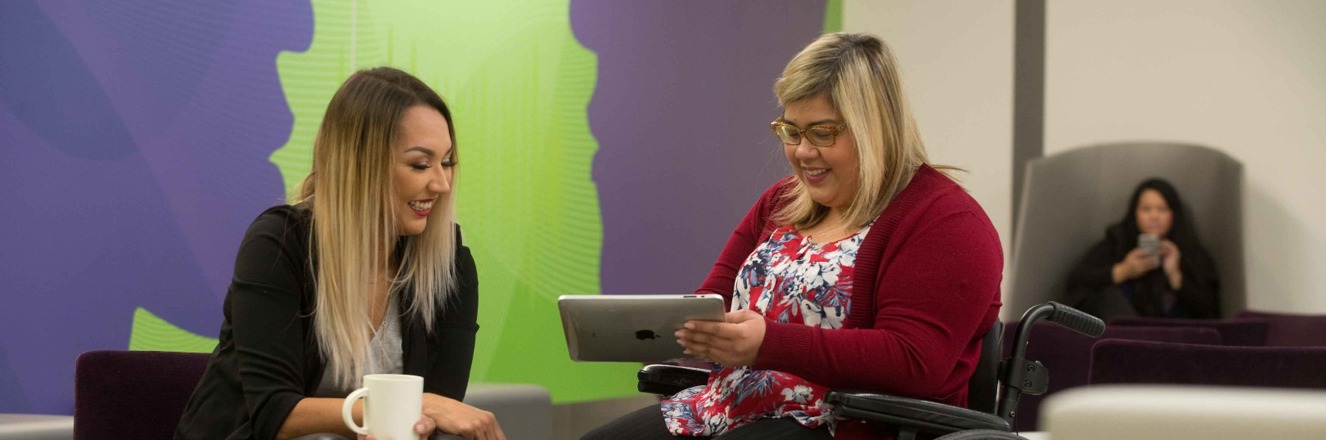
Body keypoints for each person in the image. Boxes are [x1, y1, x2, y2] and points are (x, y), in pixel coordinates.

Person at [581, 33, 1003, 440]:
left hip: (844, 423)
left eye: (822, 133)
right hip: (726, 411)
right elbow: (714, 301)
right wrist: (663, 331)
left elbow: (912, 361)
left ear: (876, 129)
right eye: (791, 131)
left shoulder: (947, 222)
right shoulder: (782, 203)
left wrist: (768, 344)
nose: (802, 151)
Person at [175, 67, 505, 440]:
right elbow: (274, 414)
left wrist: (421, 411)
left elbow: (438, 417)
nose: (442, 184)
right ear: (360, 164)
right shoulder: (279, 244)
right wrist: (405, 408)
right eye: (420, 164)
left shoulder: (450, 269)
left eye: (446, 162)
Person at [1065, 178, 1221, 320]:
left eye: (1162, 209)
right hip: (1121, 337)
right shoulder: (1116, 243)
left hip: (1173, 338)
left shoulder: (1190, 253)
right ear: (1135, 214)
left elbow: (1210, 310)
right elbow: (1076, 283)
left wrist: (1176, 277)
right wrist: (1124, 270)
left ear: (1173, 215)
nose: (1154, 216)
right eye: (1146, 209)